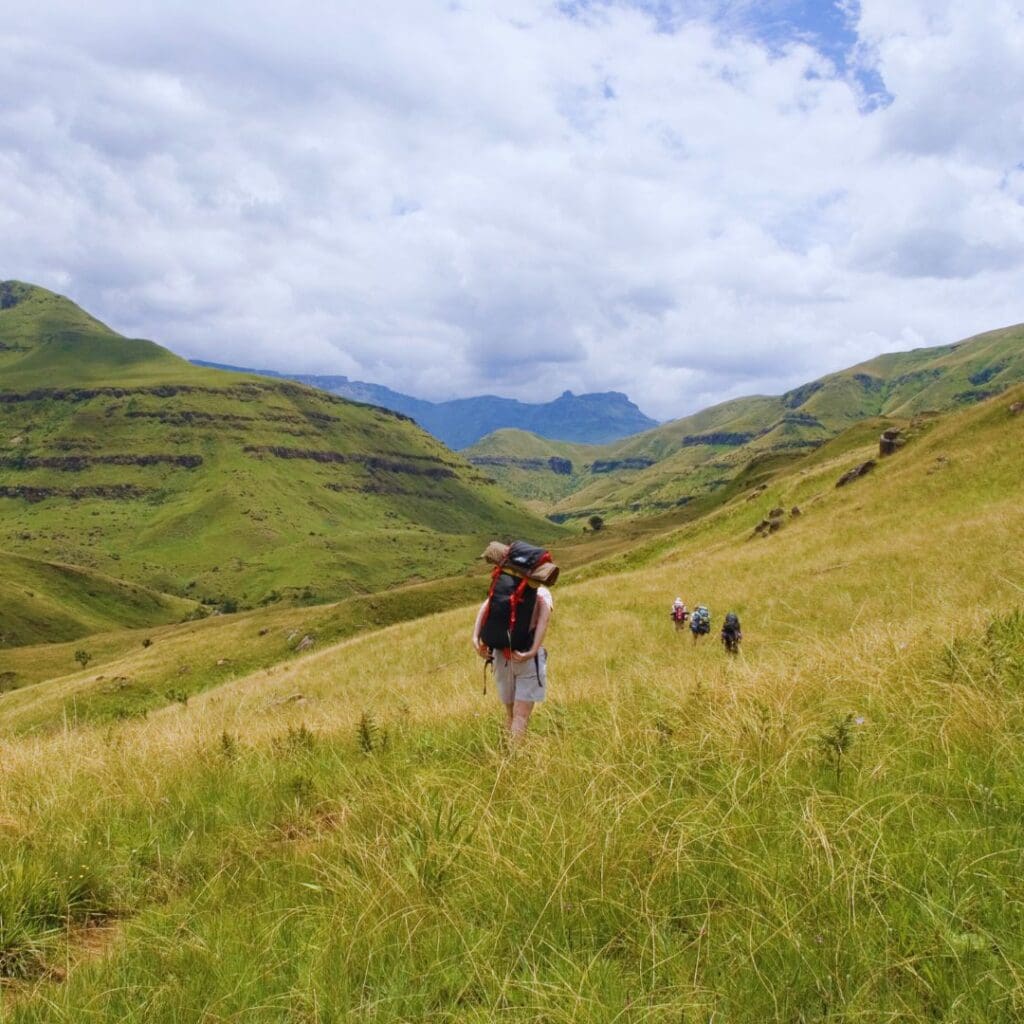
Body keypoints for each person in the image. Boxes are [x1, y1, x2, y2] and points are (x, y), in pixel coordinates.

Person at [472, 583, 553, 741]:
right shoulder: (542, 593)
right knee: (521, 716)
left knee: (510, 713)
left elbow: (485, 608)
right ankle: (515, 759)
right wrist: (532, 651)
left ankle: (506, 752)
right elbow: (544, 620)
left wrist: (475, 638)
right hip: (526, 658)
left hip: (500, 657)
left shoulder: (503, 590)